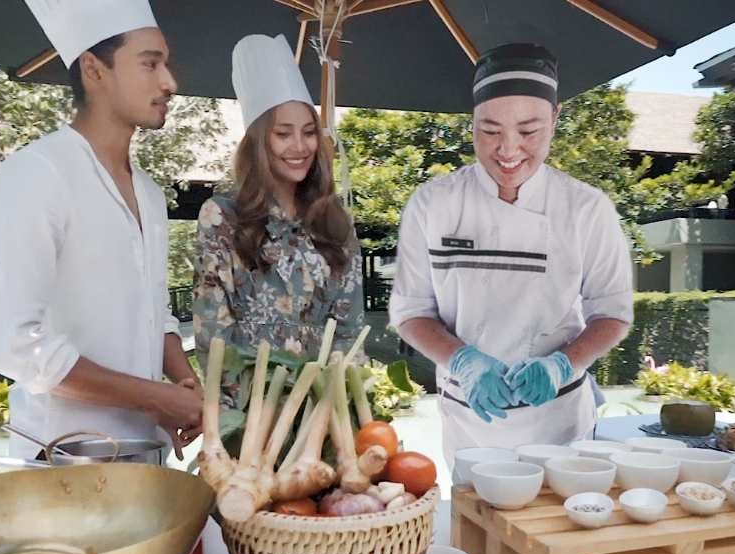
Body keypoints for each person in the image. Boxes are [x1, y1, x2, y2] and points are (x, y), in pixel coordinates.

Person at [389, 43, 633, 466]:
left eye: (529, 131)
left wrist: (561, 365)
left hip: (559, 424)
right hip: (468, 421)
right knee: (476, 529)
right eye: (489, 130)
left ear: (555, 119)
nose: (508, 149)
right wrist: (461, 360)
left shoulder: (586, 208)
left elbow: (612, 315)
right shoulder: (432, 204)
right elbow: (411, 312)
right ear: (472, 124)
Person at [0, 0, 202, 459]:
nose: (170, 82)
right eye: (150, 64)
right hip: (62, 460)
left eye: (166, 64)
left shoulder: (149, 193)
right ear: (93, 70)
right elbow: (14, 344)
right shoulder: (37, 174)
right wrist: (156, 397)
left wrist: (184, 383)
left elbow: (153, 312)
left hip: (146, 454)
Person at [192, 34, 363, 406]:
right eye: (283, 134)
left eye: (308, 133)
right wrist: (235, 416)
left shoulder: (336, 224)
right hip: (248, 410)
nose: (299, 147)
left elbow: (348, 331)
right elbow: (213, 331)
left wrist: (346, 407)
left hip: (322, 410)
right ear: (259, 141)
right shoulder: (223, 216)